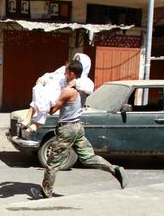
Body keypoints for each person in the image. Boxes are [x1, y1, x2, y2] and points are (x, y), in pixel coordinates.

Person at [31, 60, 128, 199]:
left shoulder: (67, 91)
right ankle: (115, 170)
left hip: (67, 129)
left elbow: (51, 110)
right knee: (88, 157)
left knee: (53, 162)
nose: (63, 74)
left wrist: (40, 93)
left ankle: (45, 193)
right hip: (78, 127)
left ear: (72, 74)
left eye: (66, 71)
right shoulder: (81, 88)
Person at [21, 53, 94, 132]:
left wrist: (76, 83)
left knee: (46, 101)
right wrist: (43, 79)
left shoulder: (83, 80)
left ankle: (36, 124)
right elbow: (52, 75)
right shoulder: (65, 69)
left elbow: (89, 87)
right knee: (38, 90)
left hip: (59, 100)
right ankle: (28, 118)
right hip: (51, 90)